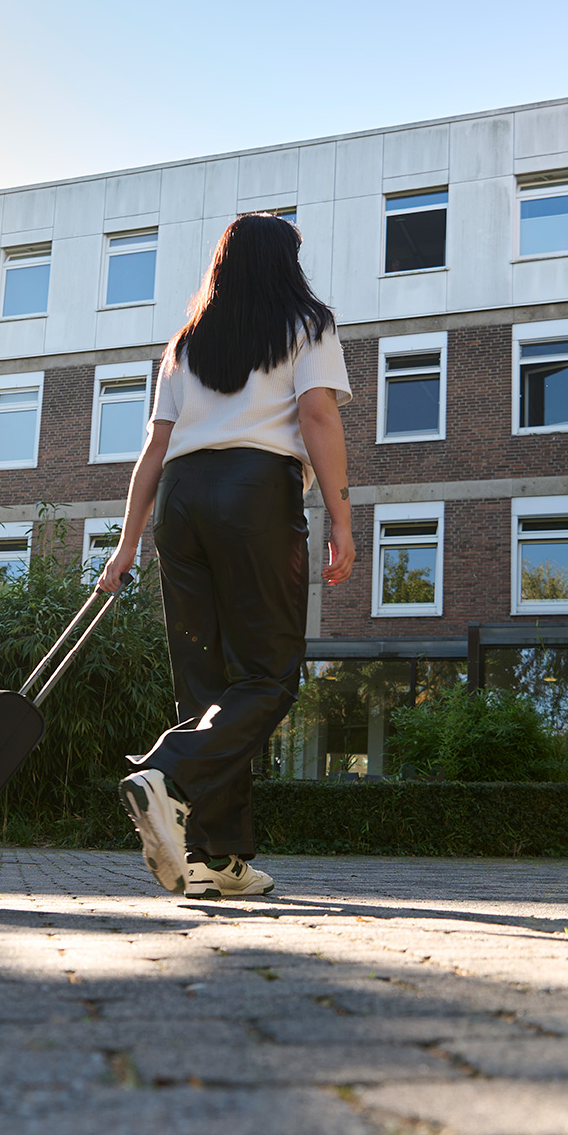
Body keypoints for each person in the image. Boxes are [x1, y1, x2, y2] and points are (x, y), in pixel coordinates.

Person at [97, 213, 353, 899]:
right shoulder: (306, 323)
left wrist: (126, 544)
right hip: (254, 494)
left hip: (181, 502)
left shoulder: (184, 342)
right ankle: (169, 773)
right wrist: (342, 518)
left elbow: (154, 449)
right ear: (282, 264)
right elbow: (319, 418)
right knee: (268, 677)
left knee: (207, 689)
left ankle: (217, 857)